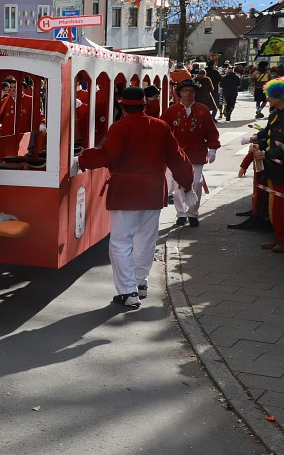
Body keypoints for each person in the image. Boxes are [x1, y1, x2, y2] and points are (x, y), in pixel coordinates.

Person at [79, 87, 194, 307]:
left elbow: (108, 155)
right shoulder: (161, 126)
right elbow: (178, 158)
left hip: (126, 192)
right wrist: (187, 184)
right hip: (152, 192)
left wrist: (84, 158)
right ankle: (140, 283)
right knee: (146, 241)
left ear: (122, 107)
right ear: (144, 105)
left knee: (121, 243)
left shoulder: (119, 127)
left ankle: (128, 292)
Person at [161, 79, 220, 227]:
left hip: (197, 152)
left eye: (192, 91)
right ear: (179, 93)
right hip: (177, 154)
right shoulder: (172, 111)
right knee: (177, 185)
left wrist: (212, 149)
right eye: (185, 91)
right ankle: (181, 214)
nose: (189, 93)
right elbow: (162, 131)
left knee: (196, 183)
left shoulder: (203, 110)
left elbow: (212, 132)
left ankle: (192, 213)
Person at [255, 78, 284, 253]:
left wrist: (267, 154)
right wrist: (258, 143)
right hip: (273, 167)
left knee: (282, 205)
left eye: (270, 94)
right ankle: (279, 236)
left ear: (280, 95)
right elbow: (271, 137)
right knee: (275, 204)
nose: (267, 97)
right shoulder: (275, 114)